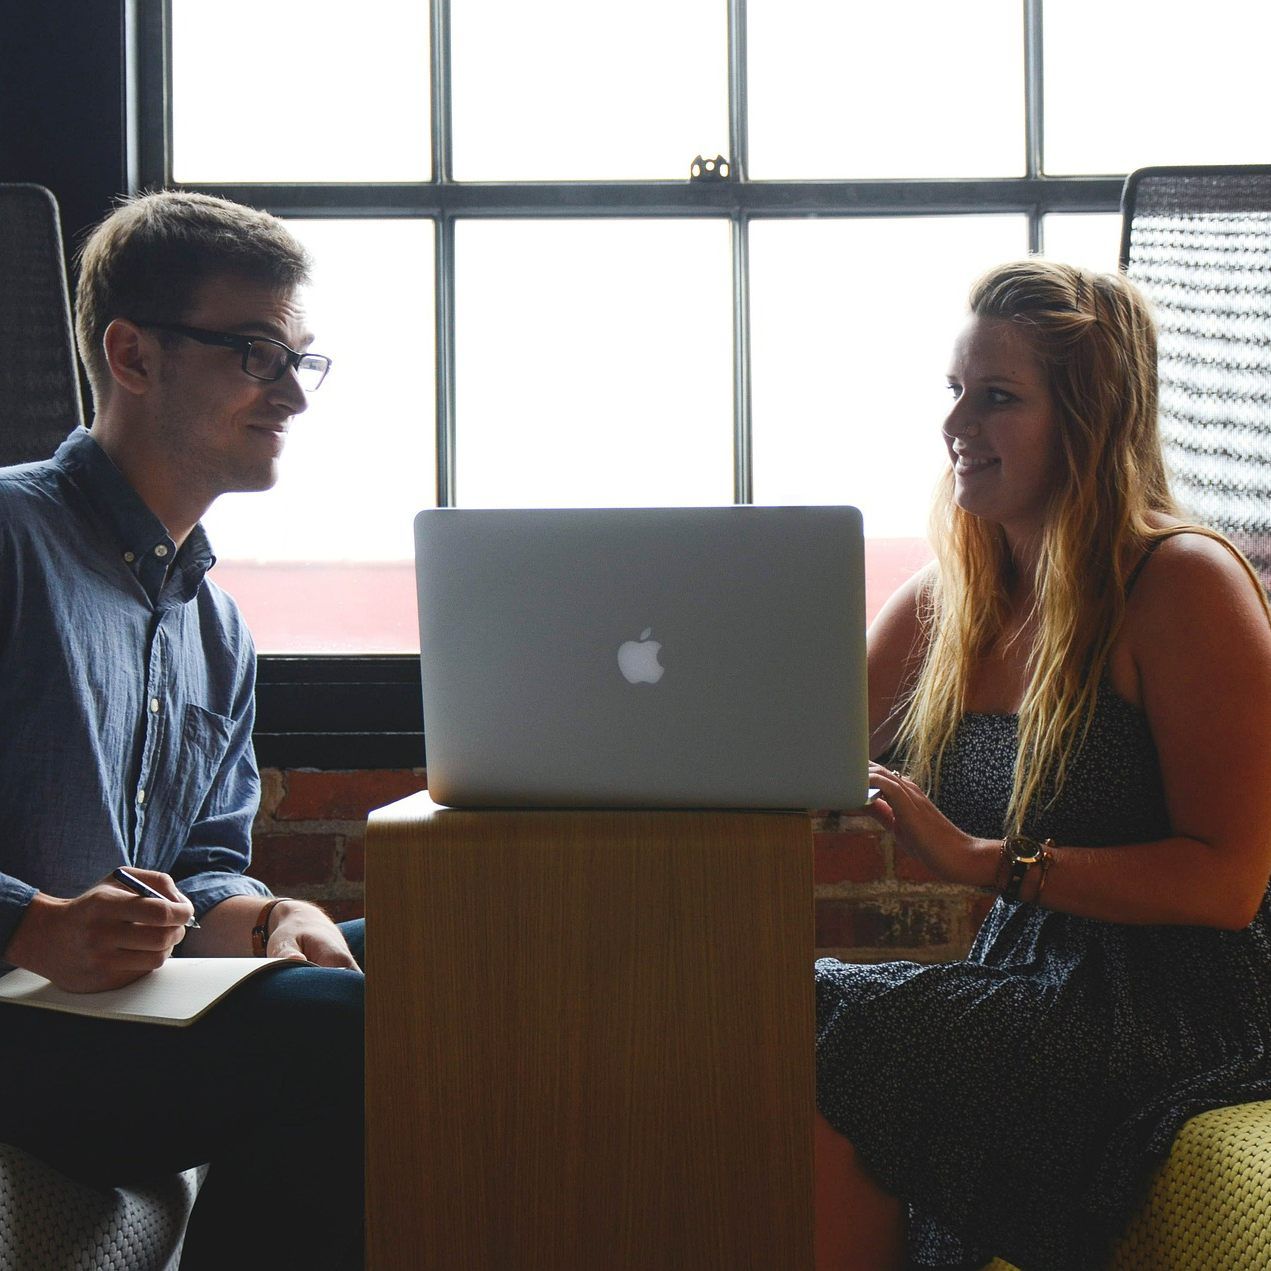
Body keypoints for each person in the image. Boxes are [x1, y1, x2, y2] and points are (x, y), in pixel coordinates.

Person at [814, 260, 1271, 1271]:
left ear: (1087, 417)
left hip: (1181, 1004)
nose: (955, 425)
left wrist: (990, 861)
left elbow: (1227, 882)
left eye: (997, 397)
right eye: (954, 392)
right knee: (775, 1007)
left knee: (823, 1015)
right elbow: (794, 758)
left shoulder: (1180, 582)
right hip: (1026, 977)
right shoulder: (953, 597)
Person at [0, 191, 363, 1268]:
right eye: (257, 353)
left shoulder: (218, 625)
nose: (293, 394)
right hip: (21, 1016)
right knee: (347, 1036)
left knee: (440, 981)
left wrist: (265, 913)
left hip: (113, 1016)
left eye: (303, 359)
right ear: (132, 353)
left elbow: (204, 862)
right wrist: (29, 925)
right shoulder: (11, 541)